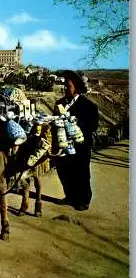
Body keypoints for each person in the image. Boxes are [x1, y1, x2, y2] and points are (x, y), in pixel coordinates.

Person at [54, 70, 99, 211]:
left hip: (81, 146)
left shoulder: (88, 106)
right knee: (64, 171)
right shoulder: (59, 103)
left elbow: (93, 125)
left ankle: (84, 200)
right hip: (63, 144)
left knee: (82, 172)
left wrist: (75, 123)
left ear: (76, 87)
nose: (65, 88)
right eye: (64, 86)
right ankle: (70, 196)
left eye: (68, 86)